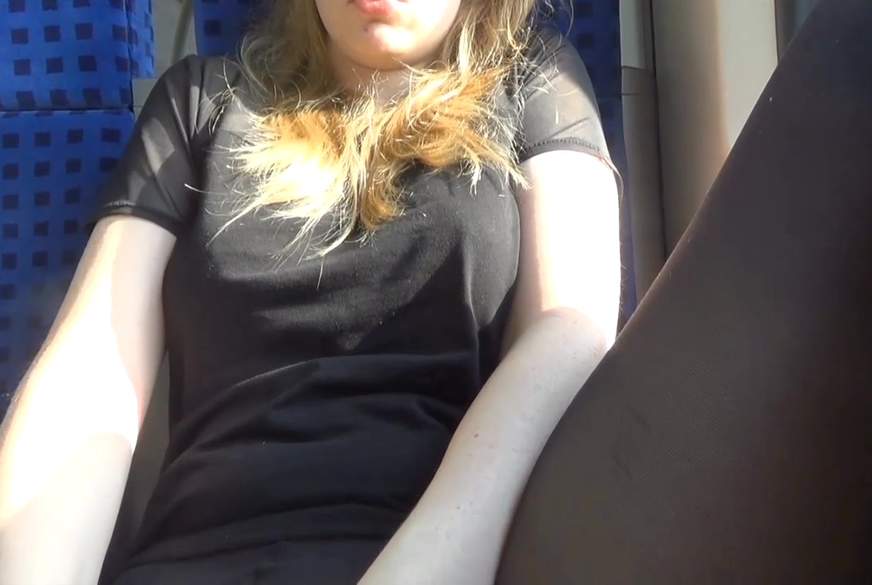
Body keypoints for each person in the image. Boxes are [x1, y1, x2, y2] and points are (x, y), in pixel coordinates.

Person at [1, 0, 868, 584]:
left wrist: (422, 567)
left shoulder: (536, 84)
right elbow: (89, 382)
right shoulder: (202, 105)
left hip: (478, 547)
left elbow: (570, 333)